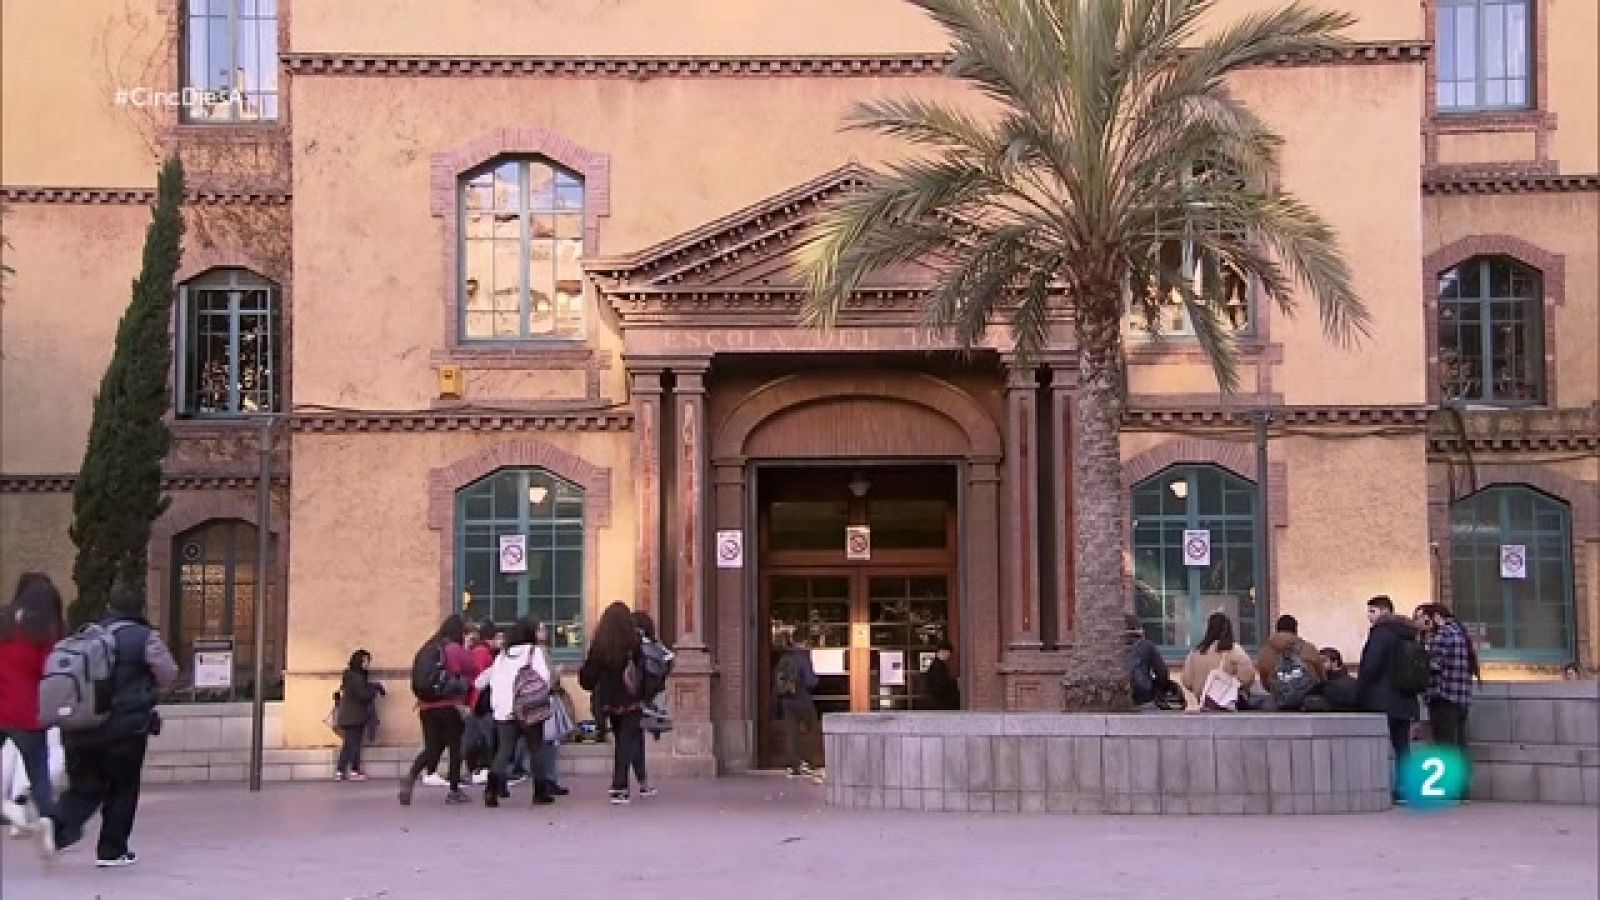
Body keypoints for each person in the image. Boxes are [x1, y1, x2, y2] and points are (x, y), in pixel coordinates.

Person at [48, 581, 179, 867]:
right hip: (125, 731)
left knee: (84, 787)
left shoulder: (86, 635)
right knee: (123, 788)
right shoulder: (145, 638)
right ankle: (112, 850)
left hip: (79, 728)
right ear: (140, 608)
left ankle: (56, 827)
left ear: (109, 607)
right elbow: (168, 674)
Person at [0, 574, 66, 830]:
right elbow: (47, 672)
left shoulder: (4, 623)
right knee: (38, 771)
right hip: (27, 711)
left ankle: (8, 806)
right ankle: (48, 819)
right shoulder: (42, 632)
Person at [398, 614, 479, 806]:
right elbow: (472, 668)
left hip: (426, 706)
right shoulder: (453, 648)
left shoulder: (428, 648)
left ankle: (411, 776)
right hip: (449, 705)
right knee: (455, 747)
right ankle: (454, 791)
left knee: (432, 748)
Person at [579, 602, 653, 804]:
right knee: (626, 742)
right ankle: (620, 786)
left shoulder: (600, 644)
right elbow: (643, 669)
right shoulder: (634, 642)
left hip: (609, 700)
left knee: (621, 741)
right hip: (631, 698)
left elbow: (589, 674)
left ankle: (622, 785)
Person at [475, 621, 554, 807]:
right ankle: (539, 792)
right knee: (536, 748)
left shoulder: (502, 656)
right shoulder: (534, 652)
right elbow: (544, 678)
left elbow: (491, 681)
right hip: (529, 708)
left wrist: (499, 706)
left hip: (505, 711)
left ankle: (491, 790)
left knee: (504, 750)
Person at [1359, 595, 1422, 803]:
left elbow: (1371, 666)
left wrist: (1360, 688)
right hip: (1405, 697)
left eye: (1372, 611)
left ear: (1384, 611)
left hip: (1381, 698)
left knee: (1378, 745)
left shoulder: (1381, 633)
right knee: (1402, 746)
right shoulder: (1408, 634)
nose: (1369, 616)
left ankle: (1378, 788)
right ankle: (1405, 788)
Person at [1414, 603, 1475, 751]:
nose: (1419, 622)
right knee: (1458, 745)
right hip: (1460, 698)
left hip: (1443, 697)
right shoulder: (1459, 632)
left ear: (1435, 617)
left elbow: (1434, 665)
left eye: (1422, 618)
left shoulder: (1443, 634)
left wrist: (1420, 657)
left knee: (1445, 746)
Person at [1180, 612, 1256, 710]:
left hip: (1203, 702)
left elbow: (1187, 681)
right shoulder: (1233, 650)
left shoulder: (1195, 652)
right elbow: (1248, 677)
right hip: (1226, 703)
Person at [772, 631, 821, 780]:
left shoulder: (785, 657)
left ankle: (793, 765)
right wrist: (818, 680)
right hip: (802, 698)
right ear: (804, 642)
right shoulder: (803, 658)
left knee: (791, 732)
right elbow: (810, 682)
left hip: (787, 700)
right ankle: (812, 763)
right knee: (813, 729)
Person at [1256, 614, 1325, 711]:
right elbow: (1322, 678)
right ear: (1295, 630)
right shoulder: (1309, 649)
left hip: (1278, 703)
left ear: (1276, 630)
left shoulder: (1265, 652)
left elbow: (1265, 684)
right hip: (1306, 702)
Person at [333, 649, 384, 781]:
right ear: (360, 661)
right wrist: (374, 690)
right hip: (354, 716)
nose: (368, 664)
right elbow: (364, 695)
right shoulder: (357, 677)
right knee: (354, 744)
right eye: (366, 661)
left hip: (349, 715)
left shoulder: (350, 676)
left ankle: (340, 771)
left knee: (348, 745)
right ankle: (354, 771)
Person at [1122, 615, 1169, 710]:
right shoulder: (1147, 646)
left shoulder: (1109, 649)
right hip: (1144, 698)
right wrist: (1157, 690)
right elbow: (1162, 672)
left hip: (1116, 700)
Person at [1304, 647, 1360, 712]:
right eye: (1319, 662)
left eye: (1323, 661)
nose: (1320, 665)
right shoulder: (1355, 682)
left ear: (1335, 662)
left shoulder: (1327, 686)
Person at [923, 640, 961, 710]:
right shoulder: (938, 667)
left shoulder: (937, 665)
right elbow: (941, 686)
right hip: (941, 703)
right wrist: (954, 683)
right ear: (942, 651)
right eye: (948, 653)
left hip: (938, 703)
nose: (948, 655)